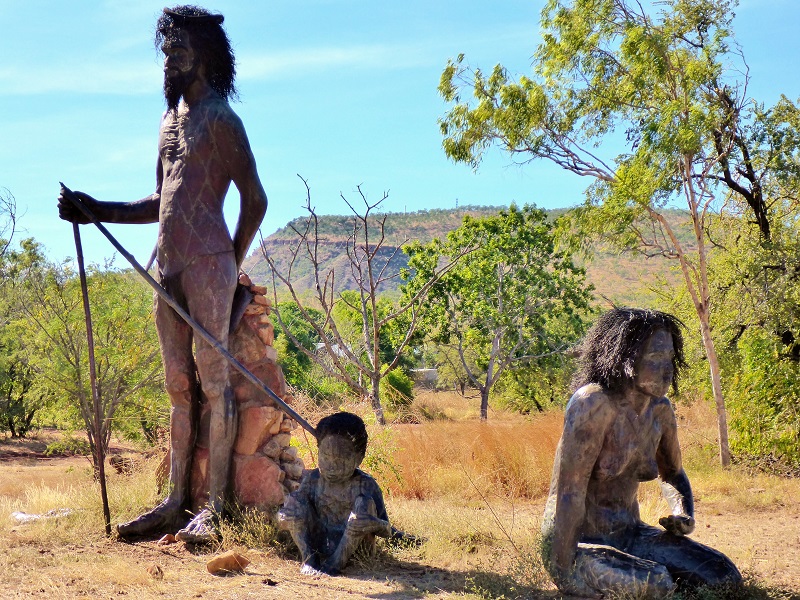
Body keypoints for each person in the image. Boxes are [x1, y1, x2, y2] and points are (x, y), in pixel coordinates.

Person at [58, 6, 268, 542]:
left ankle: (215, 509)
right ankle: (176, 501)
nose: (170, 61)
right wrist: (95, 208)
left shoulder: (223, 119)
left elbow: (255, 200)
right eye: (166, 52)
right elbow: (160, 200)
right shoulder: (167, 122)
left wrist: (231, 263)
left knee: (213, 380)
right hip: (169, 261)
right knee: (179, 384)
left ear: (205, 56)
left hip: (209, 263)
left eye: (179, 51)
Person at [541, 308, 741, 598]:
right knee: (657, 583)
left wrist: (682, 512)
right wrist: (565, 568)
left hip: (630, 533)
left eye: (670, 359)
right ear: (625, 359)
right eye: (655, 359)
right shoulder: (592, 405)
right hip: (575, 540)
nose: (668, 369)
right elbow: (569, 495)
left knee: (723, 575)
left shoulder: (660, 410)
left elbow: (672, 473)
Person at [278, 412, 392, 575]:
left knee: (364, 504)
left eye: (340, 460)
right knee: (295, 501)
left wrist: (371, 523)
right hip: (321, 542)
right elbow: (286, 517)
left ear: (358, 458)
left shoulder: (365, 484)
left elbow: (386, 530)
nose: (331, 466)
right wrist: (285, 516)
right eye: (325, 457)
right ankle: (309, 558)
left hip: (356, 551)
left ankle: (335, 563)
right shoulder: (313, 480)